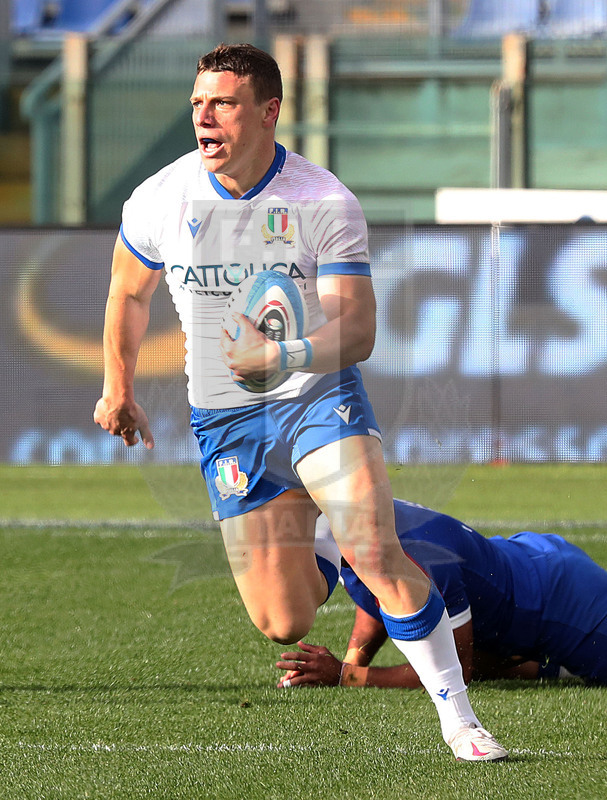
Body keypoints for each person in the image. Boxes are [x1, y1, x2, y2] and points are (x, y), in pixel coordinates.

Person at [93, 42, 507, 762]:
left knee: (377, 551)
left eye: (221, 102)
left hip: (315, 400)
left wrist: (279, 357)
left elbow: (358, 328)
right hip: (224, 420)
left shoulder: (320, 200)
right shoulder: (160, 197)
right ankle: (316, 523)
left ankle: (460, 720)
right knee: (281, 621)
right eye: (197, 103)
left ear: (267, 111)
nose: (204, 116)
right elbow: (129, 291)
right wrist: (118, 386)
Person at [276, 498, 607, 689]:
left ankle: (561, 663)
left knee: (458, 655)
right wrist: (354, 659)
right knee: (479, 651)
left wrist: (348, 676)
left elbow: (454, 671)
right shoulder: (354, 516)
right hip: (528, 561)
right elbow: (377, 591)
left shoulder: (425, 559)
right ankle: (551, 668)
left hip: (567, 604)